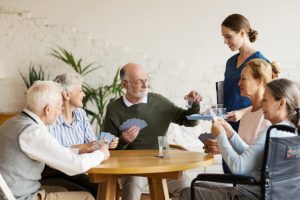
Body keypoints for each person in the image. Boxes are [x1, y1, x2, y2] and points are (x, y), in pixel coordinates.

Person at [179, 78, 300, 200]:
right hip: (268, 195)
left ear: (281, 103)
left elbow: (239, 167)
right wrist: (231, 134)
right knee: (199, 185)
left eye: (265, 100)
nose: (261, 103)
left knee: (186, 193)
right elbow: (252, 155)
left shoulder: (271, 133)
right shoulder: (291, 133)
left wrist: (220, 136)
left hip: (246, 196)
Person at [103, 63, 202, 200]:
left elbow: (190, 122)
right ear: (124, 85)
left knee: (188, 187)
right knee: (133, 185)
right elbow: (106, 149)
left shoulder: (159, 102)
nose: (145, 85)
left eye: (146, 79)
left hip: (162, 166)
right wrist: (124, 141)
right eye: (139, 82)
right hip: (131, 170)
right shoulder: (114, 109)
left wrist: (194, 104)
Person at [0, 81, 110, 200]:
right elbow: (76, 165)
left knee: (68, 189)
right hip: (23, 197)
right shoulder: (32, 133)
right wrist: (101, 154)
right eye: (59, 107)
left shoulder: (14, 122)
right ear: (47, 110)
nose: (60, 112)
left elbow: (56, 151)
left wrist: (81, 150)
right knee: (86, 197)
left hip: (13, 192)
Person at [42, 72, 119, 197]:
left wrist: (105, 142)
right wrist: (87, 147)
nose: (84, 94)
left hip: (78, 171)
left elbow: (91, 144)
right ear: (67, 95)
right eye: (80, 91)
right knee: (90, 192)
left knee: (104, 187)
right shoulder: (50, 118)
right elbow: (54, 154)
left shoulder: (80, 114)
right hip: (55, 173)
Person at [221, 13, 269, 173]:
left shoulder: (260, 62)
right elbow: (228, 93)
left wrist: (242, 112)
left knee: (245, 174)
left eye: (229, 36)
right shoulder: (230, 62)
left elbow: (269, 100)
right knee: (230, 175)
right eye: (224, 37)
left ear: (242, 33)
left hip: (248, 126)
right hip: (228, 124)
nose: (225, 41)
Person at [205, 58, 280, 155]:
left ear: (259, 80)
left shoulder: (268, 116)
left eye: (243, 78)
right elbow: (244, 152)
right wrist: (221, 147)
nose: (239, 83)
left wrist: (224, 148)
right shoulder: (247, 114)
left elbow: (259, 157)